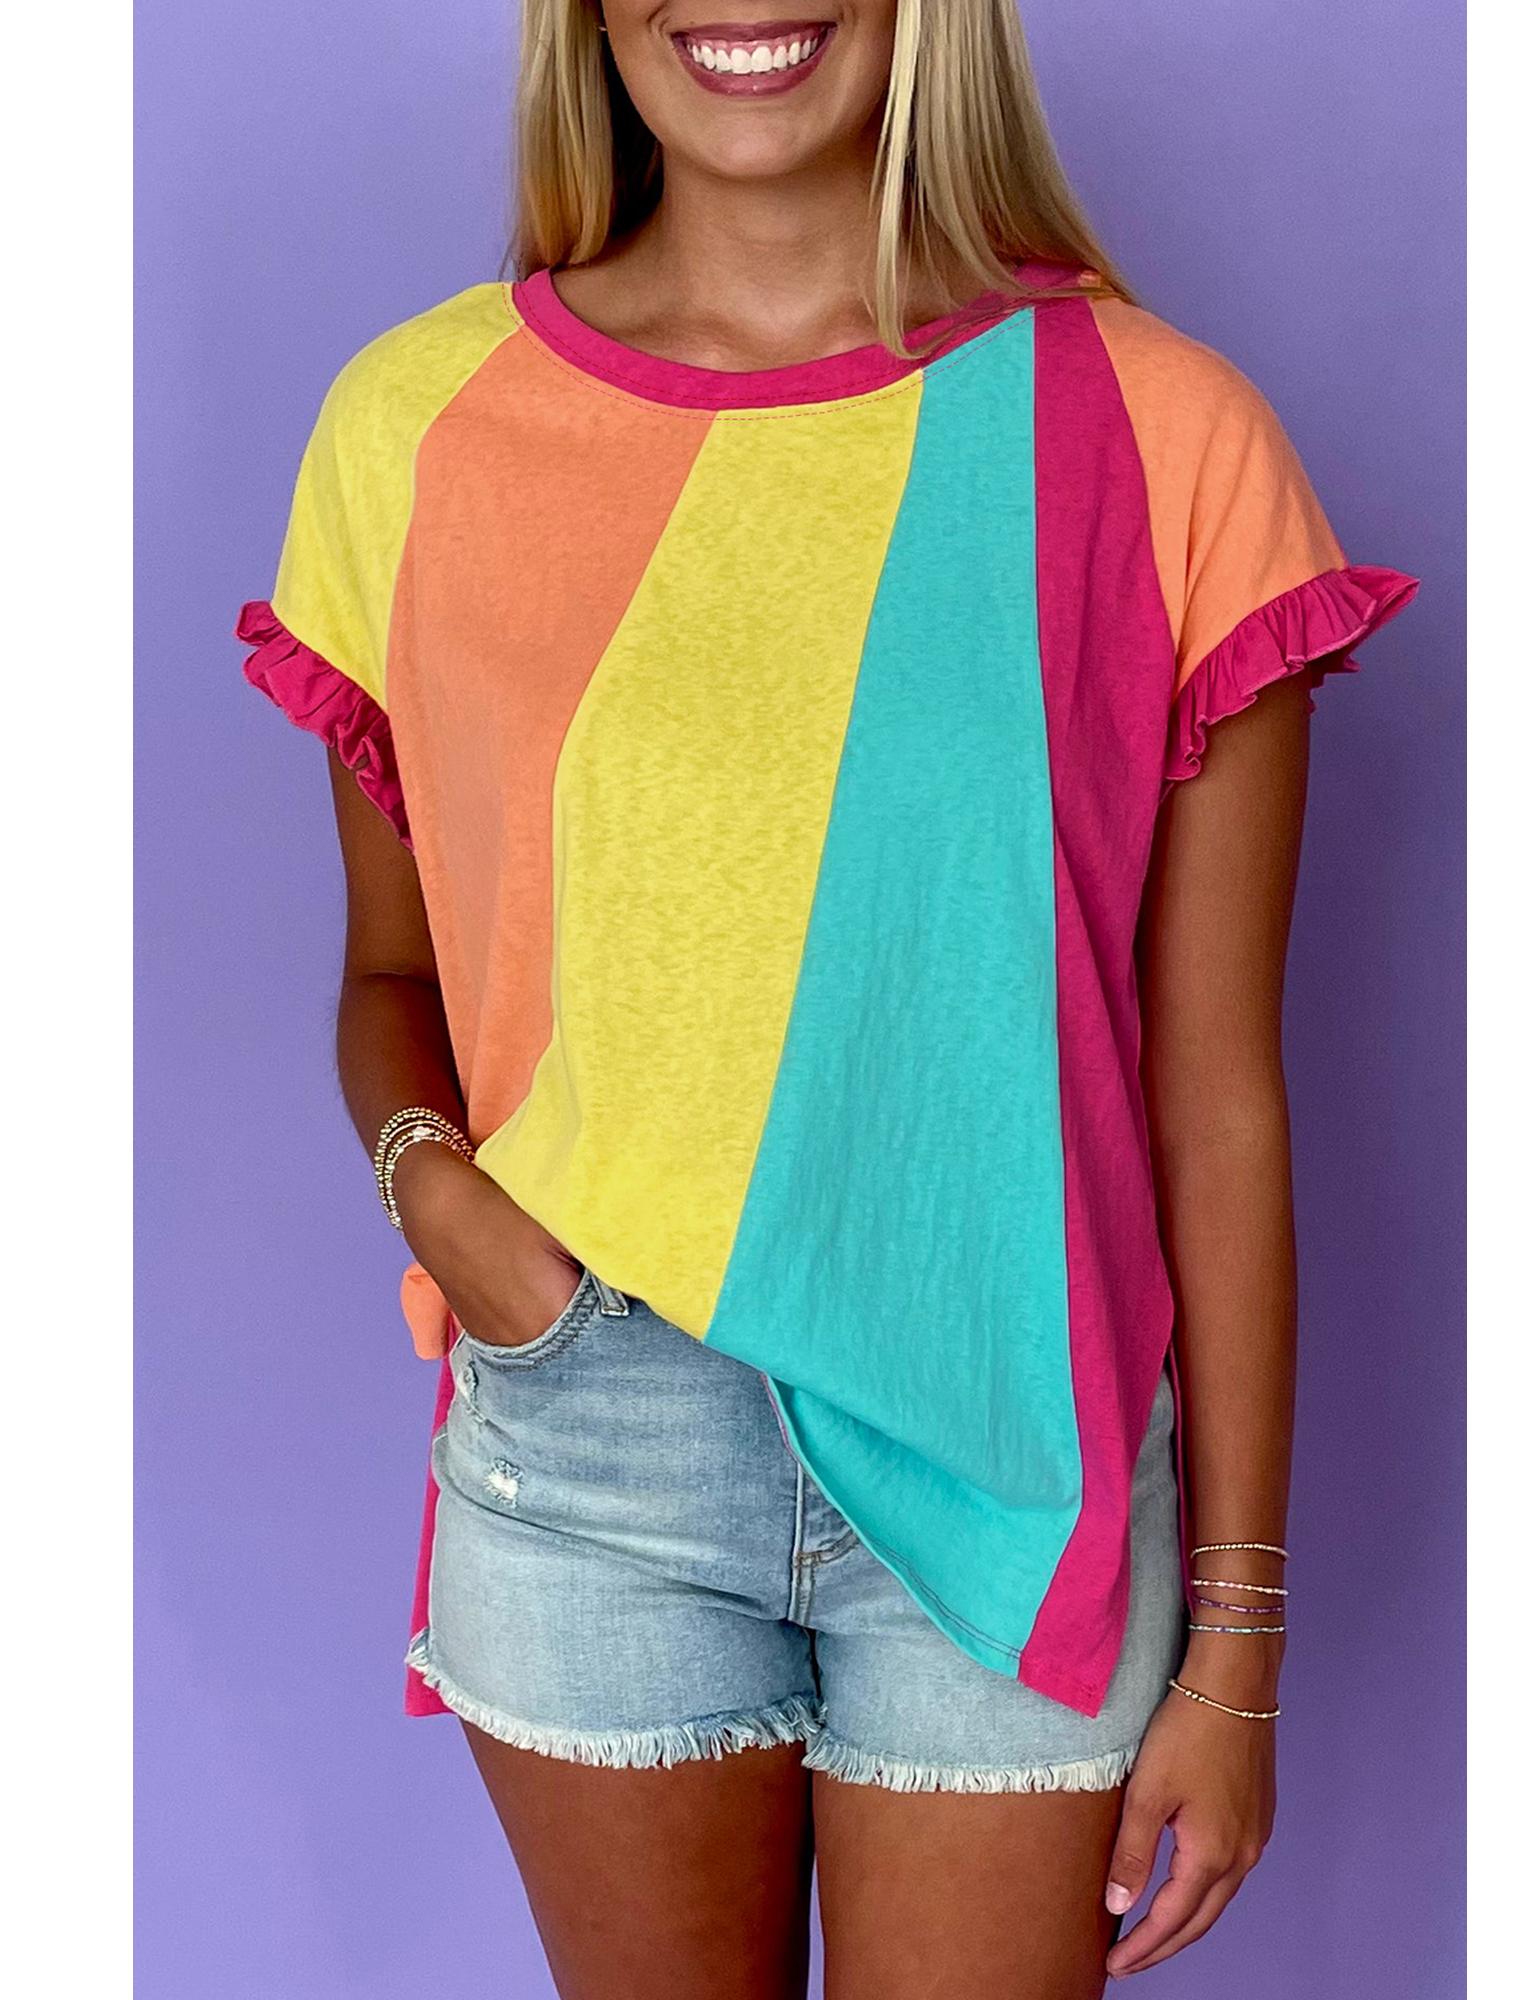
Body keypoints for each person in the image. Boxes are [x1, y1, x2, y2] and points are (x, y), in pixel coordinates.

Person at [238, 4, 1416, 1994]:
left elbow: (1217, 1092)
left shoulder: (1162, 433)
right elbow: (389, 968)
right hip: (591, 1437)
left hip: (1016, 1443)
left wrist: (1238, 1646)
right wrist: (442, 1199)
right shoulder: (413, 425)